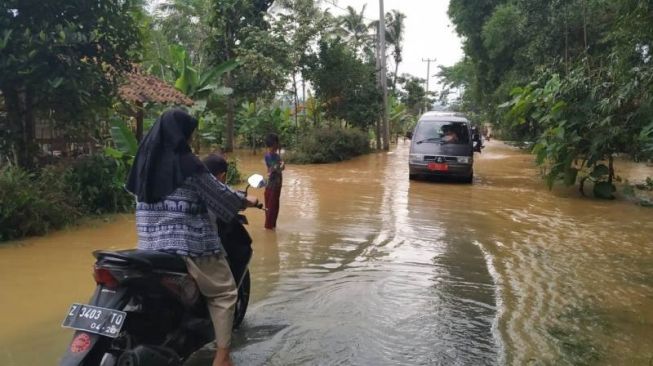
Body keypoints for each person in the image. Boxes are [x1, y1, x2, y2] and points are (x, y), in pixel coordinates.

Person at [126, 109, 258, 366]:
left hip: (149, 248)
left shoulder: (143, 162)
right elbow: (221, 197)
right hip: (189, 246)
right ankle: (222, 357)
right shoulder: (187, 164)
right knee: (224, 293)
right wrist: (245, 200)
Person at [263, 133, 284, 230]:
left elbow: (279, 167)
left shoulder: (276, 156)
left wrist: (281, 166)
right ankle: (268, 227)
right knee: (270, 207)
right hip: (272, 184)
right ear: (270, 145)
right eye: (274, 145)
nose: (275, 147)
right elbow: (273, 169)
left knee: (274, 207)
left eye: (276, 145)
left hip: (277, 184)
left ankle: (272, 226)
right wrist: (280, 166)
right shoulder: (268, 156)